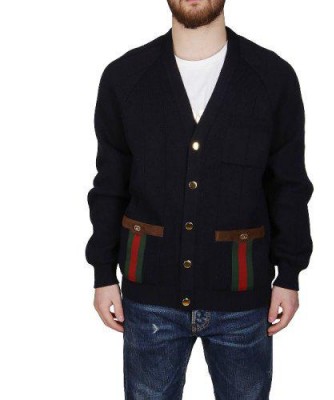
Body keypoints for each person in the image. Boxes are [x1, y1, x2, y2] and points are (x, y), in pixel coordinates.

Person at [85, 1, 314, 398]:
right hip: (149, 296)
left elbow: (288, 185)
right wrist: (103, 273)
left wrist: (290, 275)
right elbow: (109, 185)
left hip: (243, 296)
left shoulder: (272, 77)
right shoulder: (125, 77)